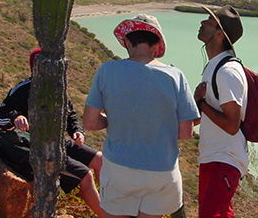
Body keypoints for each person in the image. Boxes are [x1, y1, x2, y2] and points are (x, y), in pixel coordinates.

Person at [83, 14, 199, 218]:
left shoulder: (107, 70)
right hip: (162, 171)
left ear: (127, 41)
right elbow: (186, 132)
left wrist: (115, 119)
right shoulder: (175, 76)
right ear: (156, 45)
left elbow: (90, 122)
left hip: (118, 169)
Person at [0, 47, 105, 218]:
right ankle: (107, 215)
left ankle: (110, 205)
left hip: (60, 140)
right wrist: (16, 117)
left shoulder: (58, 88)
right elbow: (0, 117)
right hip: (39, 146)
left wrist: (77, 131)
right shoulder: (23, 90)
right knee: (85, 175)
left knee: (101, 161)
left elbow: (71, 116)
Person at [193, 5, 248, 218]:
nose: (202, 23)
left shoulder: (227, 72)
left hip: (224, 159)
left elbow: (232, 126)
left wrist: (201, 104)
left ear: (219, 33)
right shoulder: (214, 67)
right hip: (213, 157)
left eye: (209, 20)